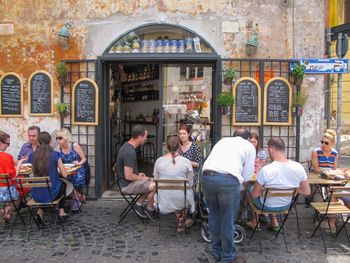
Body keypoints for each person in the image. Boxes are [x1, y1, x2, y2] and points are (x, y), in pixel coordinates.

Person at [201, 128, 256, 263]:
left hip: (207, 177)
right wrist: (240, 188)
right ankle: (228, 256)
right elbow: (248, 175)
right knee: (227, 219)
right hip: (227, 180)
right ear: (248, 139)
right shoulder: (248, 146)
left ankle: (217, 252)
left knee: (214, 216)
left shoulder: (223, 141)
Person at [247, 138, 311, 232]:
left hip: (266, 206)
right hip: (286, 205)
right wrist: (292, 189)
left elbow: (255, 194)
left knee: (250, 187)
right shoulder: (299, 167)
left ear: (270, 150)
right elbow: (307, 191)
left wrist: (263, 190)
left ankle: (255, 220)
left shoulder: (266, 170)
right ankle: (274, 221)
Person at [153, 134, 195, 233]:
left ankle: (180, 216)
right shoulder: (186, 162)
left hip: (163, 200)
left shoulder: (159, 161)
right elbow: (190, 183)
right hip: (182, 200)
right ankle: (183, 216)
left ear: (166, 146)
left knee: (172, 195)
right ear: (180, 146)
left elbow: (156, 180)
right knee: (190, 193)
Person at [28, 132, 69, 227]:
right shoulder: (55, 154)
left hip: (36, 195)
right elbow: (65, 175)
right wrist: (56, 172)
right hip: (51, 195)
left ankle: (40, 214)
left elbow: (30, 171)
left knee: (44, 189)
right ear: (50, 141)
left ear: (38, 142)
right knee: (63, 185)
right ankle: (61, 212)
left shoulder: (32, 155)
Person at [116, 125, 156, 220]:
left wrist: (138, 175)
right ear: (139, 137)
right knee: (155, 185)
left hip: (126, 181)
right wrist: (142, 178)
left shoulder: (127, 146)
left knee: (153, 180)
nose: (146, 138)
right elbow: (128, 176)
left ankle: (138, 204)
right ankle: (148, 209)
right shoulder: (129, 152)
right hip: (127, 185)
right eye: (145, 136)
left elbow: (127, 172)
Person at [55, 128, 86, 210]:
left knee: (77, 178)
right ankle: (76, 196)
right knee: (64, 178)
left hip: (77, 169)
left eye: (60, 138)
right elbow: (57, 161)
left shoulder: (74, 146)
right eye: (57, 138)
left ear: (66, 138)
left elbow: (84, 159)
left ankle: (75, 196)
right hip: (66, 170)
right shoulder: (58, 148)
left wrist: (79, 163)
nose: (58, 140)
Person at [0, 131, 28, 222]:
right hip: (6, 192)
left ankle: (7, 210)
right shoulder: (7, 156)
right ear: (1, 143)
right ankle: (8, 210)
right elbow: (13, 177)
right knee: (22, 186)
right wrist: (20, 163)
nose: (8, 146)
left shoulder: (7, 157)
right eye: (7, 144)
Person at [178, 124, 202, 188]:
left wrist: (185, 162)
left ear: (188, 134)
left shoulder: (194, 147)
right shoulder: (178, 147)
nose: (182, 135)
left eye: (184, 133)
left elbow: (199, 164)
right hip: (180, 174)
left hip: (192, 175)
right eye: (180, 134)